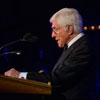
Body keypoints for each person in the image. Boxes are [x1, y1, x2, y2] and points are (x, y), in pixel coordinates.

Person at [4, 8, 92, 100]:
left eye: (55, 30)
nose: (52, 35)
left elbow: (58, 79)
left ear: (69, 29)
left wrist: (20, 75)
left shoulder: (84, 48)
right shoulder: (72, 46)